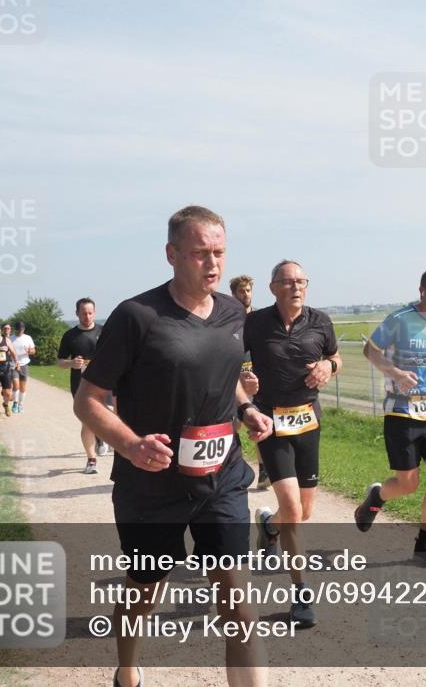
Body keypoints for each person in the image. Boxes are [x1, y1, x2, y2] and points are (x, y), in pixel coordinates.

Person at [73, 205, 273, 687]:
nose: (213, 263)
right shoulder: (137, 316)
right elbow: (88, 401)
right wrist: (131, 445)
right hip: (151, 485)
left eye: (219, 252)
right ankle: (126, 671)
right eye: (200, 253)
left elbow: (225, 375)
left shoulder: (232, 311)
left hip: (221, 476)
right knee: (145, 592)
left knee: (238, 602)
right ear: (172, 254)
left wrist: (247, 408)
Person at [245, 260, 341, 628]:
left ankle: (270, 526)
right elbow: (232, 361)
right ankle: (301, 595)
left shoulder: (320, 321)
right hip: (271, 421)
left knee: (303, 511)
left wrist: (330, 367)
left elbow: (335, 356)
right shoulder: (254, 323)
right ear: (273, 288)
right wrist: (244, 381)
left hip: (307, 420)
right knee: (292, 508)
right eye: (288, 282)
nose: (296, 287)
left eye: (301, 281)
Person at [354, 268, 426, 569]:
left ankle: (423, 547)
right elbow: (370, 350)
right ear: (422, 290)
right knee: (408, 484)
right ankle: (377, 496)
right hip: (402, 412)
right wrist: (397, 373)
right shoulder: (400, 320)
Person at [57, 298, 106, 474]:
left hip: (104, 383)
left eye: (90, 313)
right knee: (88, 420)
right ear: (77, 313)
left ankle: (100, 437)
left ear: (95, 312)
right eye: (84, 313)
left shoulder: (104, 331)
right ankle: (91, 460)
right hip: (80, 384)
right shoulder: (70, 336)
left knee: (104, 417)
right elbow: (59, 362)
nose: (87, 316)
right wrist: (71, 363)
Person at [230, 274, 269, 490]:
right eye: (241, 291)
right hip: (234, 380)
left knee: (258, 422)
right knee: (234, 425)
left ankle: (264, 471)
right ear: (233, 294)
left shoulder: (259, 318)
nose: (246, 294)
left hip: (257, 378)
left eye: (248, 290)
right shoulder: (228, 318)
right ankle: (229, 464)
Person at [9, 321, 36, 414]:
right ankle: (15, 403)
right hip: (13, 365)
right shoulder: (10, 339)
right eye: (18, 329)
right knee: (15, 384)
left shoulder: (28, 338)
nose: (20, 331)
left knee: (22, 387)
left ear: (24, 329)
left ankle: (20, 404)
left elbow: (33, 350)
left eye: (22, 329)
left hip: (24, 364)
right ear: (15, 329)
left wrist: (29, 351)